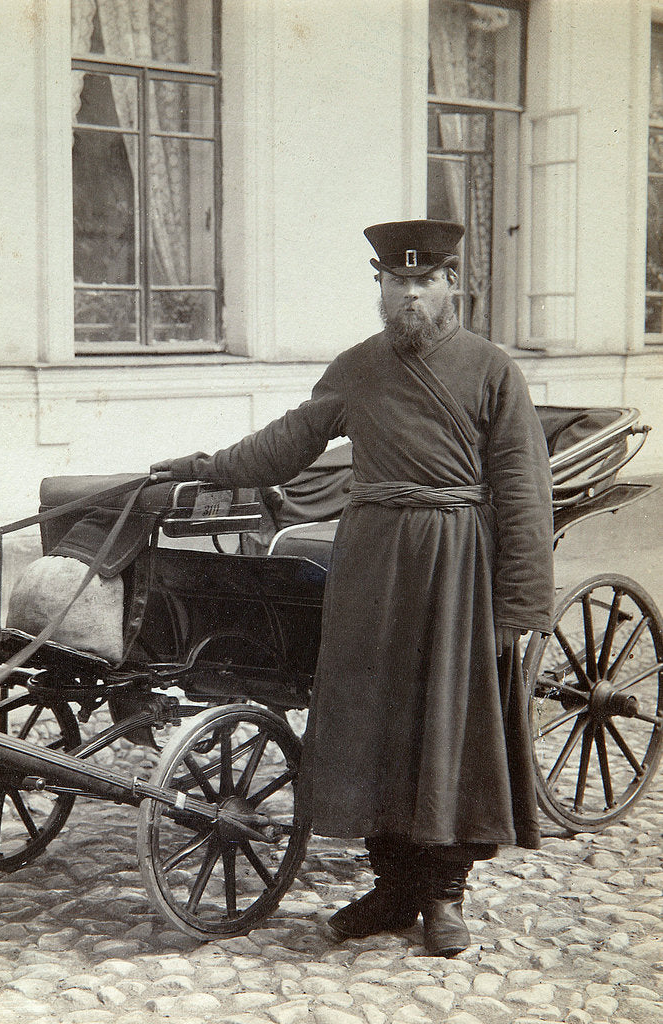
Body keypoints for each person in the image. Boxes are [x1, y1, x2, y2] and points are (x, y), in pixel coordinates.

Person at [150, 219, 554, 957]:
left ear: (450, 284)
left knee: (447, 725)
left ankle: (442, 894)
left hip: (456, 564)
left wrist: (519, 603)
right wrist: (205, 465)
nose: (409, 295)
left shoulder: (493, 370)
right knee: (372, 720)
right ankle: (391, 886)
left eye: (423, 280)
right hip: (371, 563)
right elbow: (289, 441)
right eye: (395, 282)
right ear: (381, 288)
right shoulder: (357, 367)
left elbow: (525, 491)